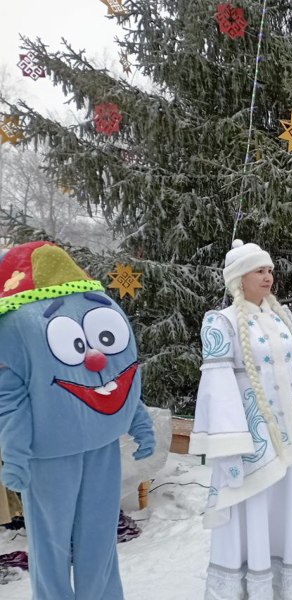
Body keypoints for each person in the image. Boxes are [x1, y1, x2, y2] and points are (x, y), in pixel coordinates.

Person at [0, 241, 155, 599]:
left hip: (92, 447)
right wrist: (17, 454)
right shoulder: (19, 322)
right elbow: (10, 401)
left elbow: (118, 377)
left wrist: (139, 420)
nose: (95, 358)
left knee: (78, 539)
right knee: (63, 541)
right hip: (53, 457)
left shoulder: (21, 321)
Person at [190, 240, 292, 600]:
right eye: (260, 270)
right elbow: (218, 383)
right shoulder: (220, 323)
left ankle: (291, 587)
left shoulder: (282, 317)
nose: (268, 276)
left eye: (270, 269)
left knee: (291, 506)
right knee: (255, 508)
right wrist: (232, 440)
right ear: (238, 278)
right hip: (253, 439)